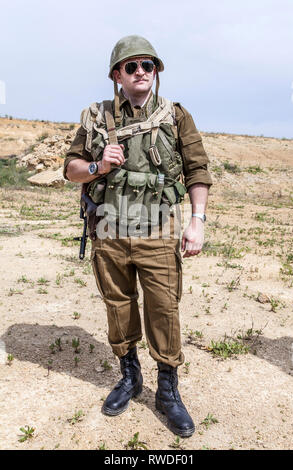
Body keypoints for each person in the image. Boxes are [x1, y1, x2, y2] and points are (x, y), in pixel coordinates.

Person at [64, 35, 213, 438]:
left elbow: (197, 170)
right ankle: (130, 377)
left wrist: (196, 220)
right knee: (118, 304)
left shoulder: (175, 116)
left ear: (156, 71)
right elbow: (71, 170)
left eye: (148, 65)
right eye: (132, 67)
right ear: (117, 75)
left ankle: (168, 390)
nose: (141, 72)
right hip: (110, 228)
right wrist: (98, 165)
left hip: (159, 229)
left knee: (164, 308)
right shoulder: (96, 117)